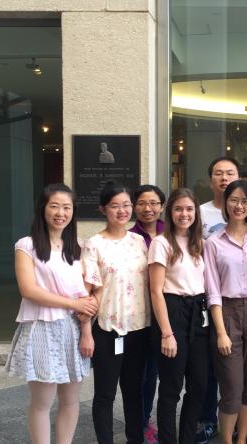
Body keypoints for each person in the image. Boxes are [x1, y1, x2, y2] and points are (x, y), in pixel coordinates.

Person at [5, 183, 98, 444]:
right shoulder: (27, 245)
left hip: (73, 328)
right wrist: (73, 305)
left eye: (66, 207)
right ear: (43, 208)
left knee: (70, 399)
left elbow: (85, 296)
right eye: (54, 206)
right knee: (42, 401)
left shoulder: (79, 247)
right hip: (41, 327)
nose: (61, 212)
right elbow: (28, 290)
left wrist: (87, 332)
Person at [197, 156, 247, 443]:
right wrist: (221, 331)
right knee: (232, 387)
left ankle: (242, 437)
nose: (239, 206)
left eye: (245, 201)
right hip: (227, 312)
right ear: (226, 204)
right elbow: (212, 289)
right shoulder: (213, 242)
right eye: (234, 200)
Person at [81, 182, 151, 444]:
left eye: (126, 205)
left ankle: (136, 439)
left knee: (134, 392)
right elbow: (86, 294)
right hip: (108, 329)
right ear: (103, 209)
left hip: (138, 329)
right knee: (105, 394)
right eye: (115, 206)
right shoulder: (94, 244)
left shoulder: (139, 242)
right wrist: (86, 333)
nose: (122, 211)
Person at [149, 188, 209, 444]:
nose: (184, 214)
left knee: (199, 385)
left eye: (189, 209)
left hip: (199, 313)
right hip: (172, 312)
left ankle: (186, 438)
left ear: (196, 212)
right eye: (178, 209)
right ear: (170, 212)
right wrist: (167, 332)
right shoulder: (161, 243)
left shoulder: (200, 244)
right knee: (171, 388)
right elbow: (155, 290)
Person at [129, 184, 167, 444]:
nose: (148, 208)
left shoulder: (171, 233)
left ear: (162, 206)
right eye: (142, 203)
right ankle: (142, 423)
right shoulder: (129, 238)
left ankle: (156, 421)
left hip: (168, 313)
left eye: (153, 203)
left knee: (162, 374)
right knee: (142, 374)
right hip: (139, 315)